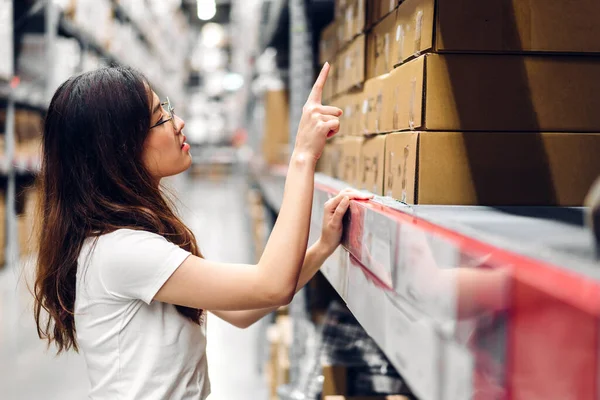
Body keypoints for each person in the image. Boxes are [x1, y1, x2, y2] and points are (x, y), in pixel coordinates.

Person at [32, 63, 372, 399]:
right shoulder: (122, 250)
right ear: (120, 149)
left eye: (168, 109)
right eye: (160, 119)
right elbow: (272, 287)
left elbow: (243, 309)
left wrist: (323, 247)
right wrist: (302, 157)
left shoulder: (129, 239)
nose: (178, 123)